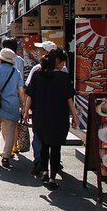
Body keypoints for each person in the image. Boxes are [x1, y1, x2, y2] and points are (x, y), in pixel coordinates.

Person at [23, 48, 77, 188]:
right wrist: (75, 117)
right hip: (58, 117)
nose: (63, 64)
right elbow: (69, 99)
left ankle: (45, 172)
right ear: (58, 61)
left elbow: (30, 96)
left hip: (40, 116)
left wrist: (26, 112)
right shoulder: (64, 77)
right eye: (63, 61)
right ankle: (53, 178)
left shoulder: (37, 75)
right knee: (56, 147)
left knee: (44, 145)